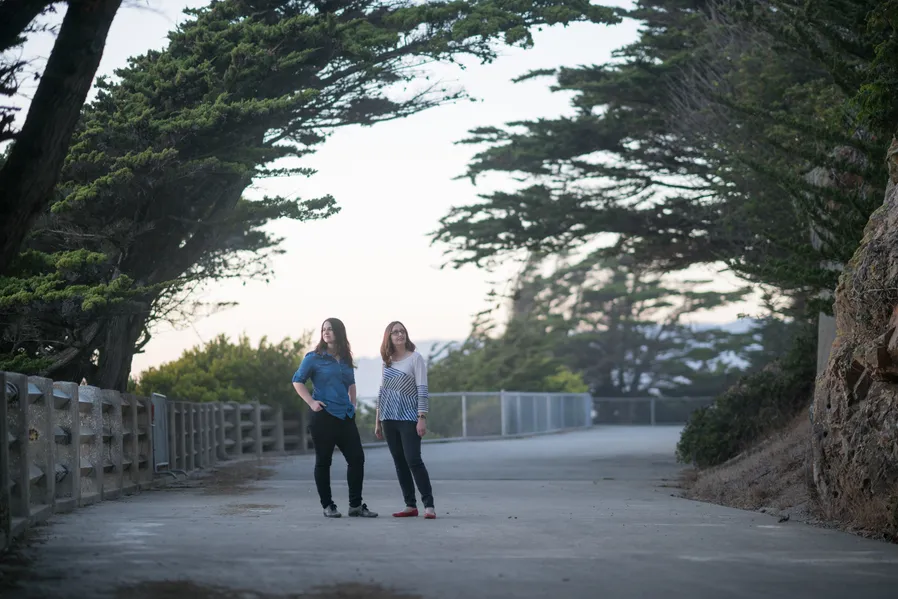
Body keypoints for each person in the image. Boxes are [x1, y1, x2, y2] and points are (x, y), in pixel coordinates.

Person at [292, 318, 378, 519]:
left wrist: (353, 405)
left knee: (357, 458)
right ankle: (328, 505)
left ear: (339, 332)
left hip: (345, 416)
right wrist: (312, 403)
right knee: (324, 461)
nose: (326, 332)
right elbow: (297, 381)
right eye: (324, 329)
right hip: (323, 416)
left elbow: (351, 383)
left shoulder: (346, 358)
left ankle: (355, 506)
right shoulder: (313, 358)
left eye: (330, 329)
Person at [374, 320, 436, 519]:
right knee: (399, 462)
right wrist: (378, 421)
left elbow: (422, 389)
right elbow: (382, 391)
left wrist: (422, 417)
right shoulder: (387, 361)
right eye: (395, 332)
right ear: (389, 337)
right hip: (388, 418)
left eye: (402, 331)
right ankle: (410, 505)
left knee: (413, 460)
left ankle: (429, 506)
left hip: (409, 417)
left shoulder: (415, 359)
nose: (400, 335)